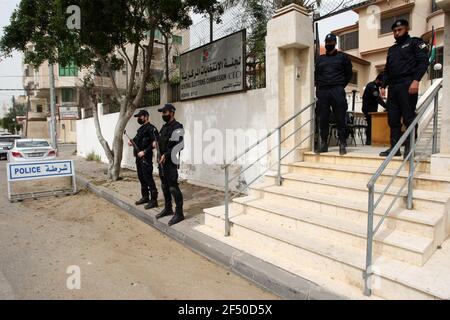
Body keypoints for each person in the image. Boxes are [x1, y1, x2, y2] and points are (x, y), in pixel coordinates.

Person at [379, 19, 429, 158]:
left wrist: (416, 80)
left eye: (399, 30)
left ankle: (410, 148)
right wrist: (383, 85)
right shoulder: (392, 49)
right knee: (393, 119)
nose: (396, 32)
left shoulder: (415, 42)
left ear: (406, 29)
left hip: (408, 84)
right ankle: (394, 148)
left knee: (408, 117)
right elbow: (388, 69)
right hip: (393, 87)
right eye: (394, 31)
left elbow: (423, 62)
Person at [315, 33, 353, 155]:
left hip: (337, 89)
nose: (328, 44)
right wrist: (319, 88)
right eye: (326, 42)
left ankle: (342, 143)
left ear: (335, 43)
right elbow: (317, 74)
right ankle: (324, 144)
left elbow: (349, 74)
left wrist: (341, 85)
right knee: (323, 119)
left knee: (340, 117)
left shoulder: (343, 57)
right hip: (323, 91)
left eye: (330, 42)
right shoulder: (320, 59)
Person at [155, 104, 185, 226]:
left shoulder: (177, 127)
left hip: (171, 161)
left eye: (165, 112)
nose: (163, 115)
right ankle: (168, 208)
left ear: (172, 113)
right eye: (162, 113)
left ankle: (179, 213)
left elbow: (180, 145)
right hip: (162, 161)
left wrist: (166, 155)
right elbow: (161, 143)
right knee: (164, 185)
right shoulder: (164, 127)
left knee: (173, 186)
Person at [129, 110, 159, 209]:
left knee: (148, 178)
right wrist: (131, 142)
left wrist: (145, 151)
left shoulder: (152, 129)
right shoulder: (141, 129)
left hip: (146, 158)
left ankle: (154, 201)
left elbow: (155, 143)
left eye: (140, 117)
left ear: (146, 117)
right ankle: (145, 197)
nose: (138, 119)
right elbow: (136, 139)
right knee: (141, 177)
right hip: (138, 158)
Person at [362, 73, 387, 145]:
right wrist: (386, 106)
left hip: (371, 108)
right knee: (370, 124)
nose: (382, 84)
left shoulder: (375, 86)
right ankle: (368, 140)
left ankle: (370, 139)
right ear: (378, 80)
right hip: (368, 109)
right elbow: (377, 98)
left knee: (371, 124)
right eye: (382, 82)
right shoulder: (372, 86)